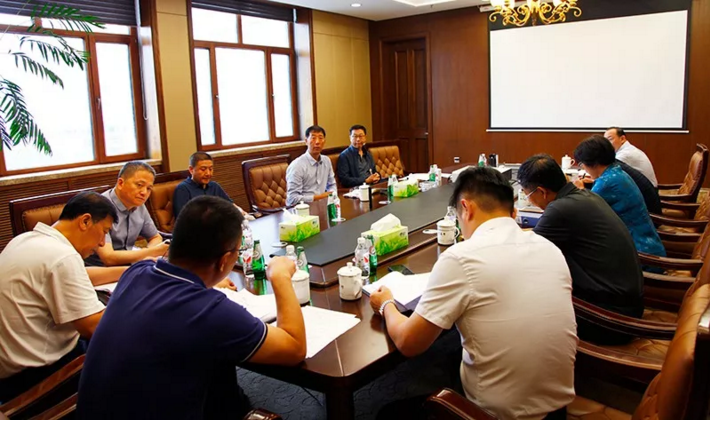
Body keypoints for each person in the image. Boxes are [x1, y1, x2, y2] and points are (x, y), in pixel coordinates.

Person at [369, 167, 577, 420]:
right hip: (558, 410)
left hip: (496, 416)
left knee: (387, 413)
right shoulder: (549, 248)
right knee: (453, 354)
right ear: (512, 211)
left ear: (466, 208)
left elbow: (408, 343)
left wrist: (386, 304)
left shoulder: (460, 258)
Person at [77, 196, 306, 419]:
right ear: (224, 260)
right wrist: (280, 277)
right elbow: (294, 349)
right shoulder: (212, 311)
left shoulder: (136, 273)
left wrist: (208, 282)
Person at [0, 192, 114, 403]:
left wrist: (127, 271)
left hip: (8, 366)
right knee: (129, 355)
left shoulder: (25, 240)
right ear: (85, 221)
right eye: (104, 232)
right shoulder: (62, 256)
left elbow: (79, 275)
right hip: (31, 379)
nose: (102, 243)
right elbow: (95, 328)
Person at [518, 154, 644, 344]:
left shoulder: (560, 209)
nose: (530, 201)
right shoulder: (585, 196)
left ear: (542, 192)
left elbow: (525, 254)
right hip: (627, 305)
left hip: (609, 319)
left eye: (528, 196)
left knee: (523, 299)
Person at [573, 135, 665, 258]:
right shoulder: (616, 171)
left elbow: (584, 212)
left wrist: (579, 189)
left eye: (582, 164)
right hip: (647, 243)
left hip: (639, 255)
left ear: (593, 163)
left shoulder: (606, 183)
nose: (583, 168)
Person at [87, 161, 169, 266]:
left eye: (149, 188)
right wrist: (151, 252)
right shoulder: (99, 207)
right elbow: (108, 257)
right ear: (121, 183)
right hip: (101, 270)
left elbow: (155, 237)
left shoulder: (138, 204)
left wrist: (147, 256)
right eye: (139, 185)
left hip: (131, 264)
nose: (144, 192)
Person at [172, 152, 253, 219]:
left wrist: (242, 213)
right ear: (191, 170)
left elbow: (230, 205)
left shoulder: (214, 186)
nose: (208, 173)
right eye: (203, 169)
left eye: (210, 169)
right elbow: (182, 221)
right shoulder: (183, 189)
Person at [286, 125, 337, 206]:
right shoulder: (297, 165)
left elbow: (332, 184)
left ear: (324, 141)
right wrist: (319, 197)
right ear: (306, 141)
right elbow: (292, 199)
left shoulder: (326, 160)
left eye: (320, 138)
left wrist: (332, 196)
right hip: (303, 209)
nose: (317, 142)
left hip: (323, 206)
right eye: (313, 138)